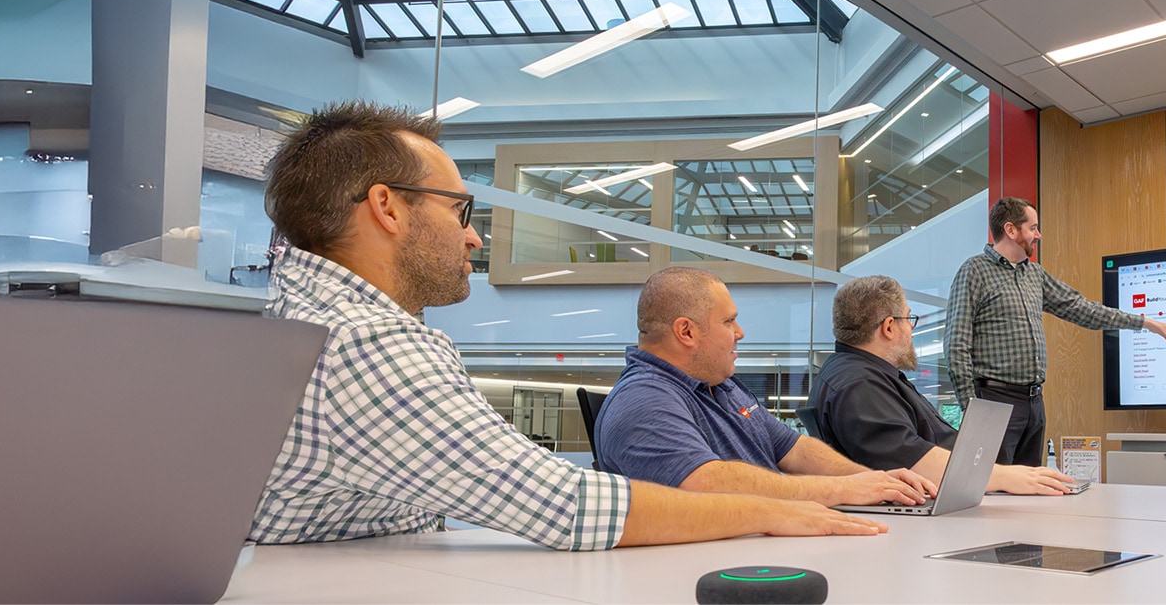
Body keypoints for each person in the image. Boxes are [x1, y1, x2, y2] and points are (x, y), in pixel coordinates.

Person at [252, 101, 888, 551]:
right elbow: (569, 506)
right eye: (460, 209)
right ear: (387, 208)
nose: (473, 235)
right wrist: (784, 510)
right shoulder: (364, 342)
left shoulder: (315, 322)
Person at [594, 268, 938, 507]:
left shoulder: (723, 385)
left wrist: (873, 482)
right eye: (729, 321)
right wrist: (843, 488)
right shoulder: (644, 401)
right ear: (687, 332)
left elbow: (796, 450)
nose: (739, 332)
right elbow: (708, 485)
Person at [947, 197, 1166, 466]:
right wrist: (972, 409)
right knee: (993, 489)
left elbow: (1083, 309)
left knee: (1029, 491)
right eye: (1033, 228)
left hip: (1034, 403)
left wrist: (1149, 324)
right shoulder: (974, 271)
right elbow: (956, 345)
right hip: (993, 401)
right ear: (1011, 230)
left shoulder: (1034, 275)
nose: (1038, 235)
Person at [813, 275, 1076, 495]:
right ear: (889, 327)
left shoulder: (863, 375)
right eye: (908, 319)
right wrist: (1007, 478)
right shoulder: (860, 386)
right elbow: (914, 462)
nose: (911, 330)